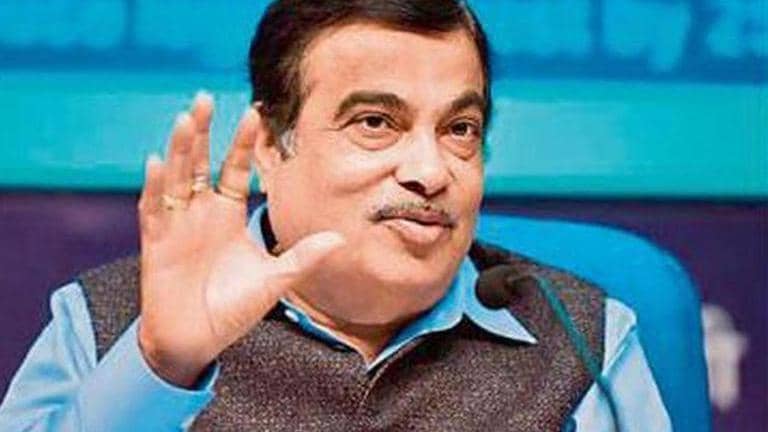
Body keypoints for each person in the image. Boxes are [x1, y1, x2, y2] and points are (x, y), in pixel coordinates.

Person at [0, 0, 671, 430]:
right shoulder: (108, 321)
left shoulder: (582, 339)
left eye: (459, 129)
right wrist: (161, 367)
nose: (431, 170)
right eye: (376, 122)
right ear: (272, 145)